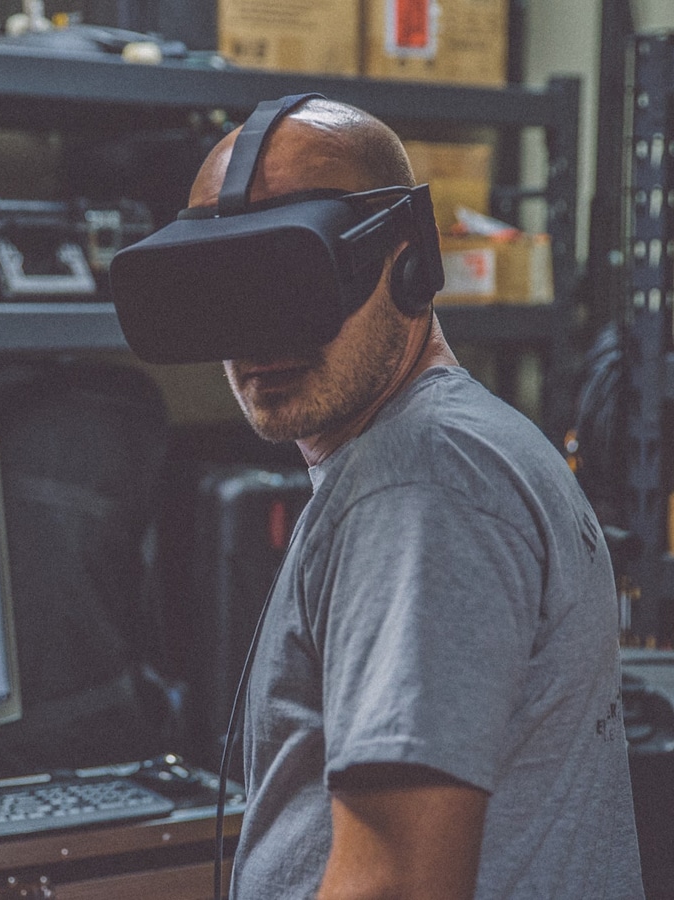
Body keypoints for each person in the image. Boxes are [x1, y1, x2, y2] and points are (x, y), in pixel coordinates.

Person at [186, 99, 644, 898]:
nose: (260, 337)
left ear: (409, 263)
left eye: (298, 281)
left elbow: (395, 882)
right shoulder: (466, 442)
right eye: (228, 290)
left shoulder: (417, 481)